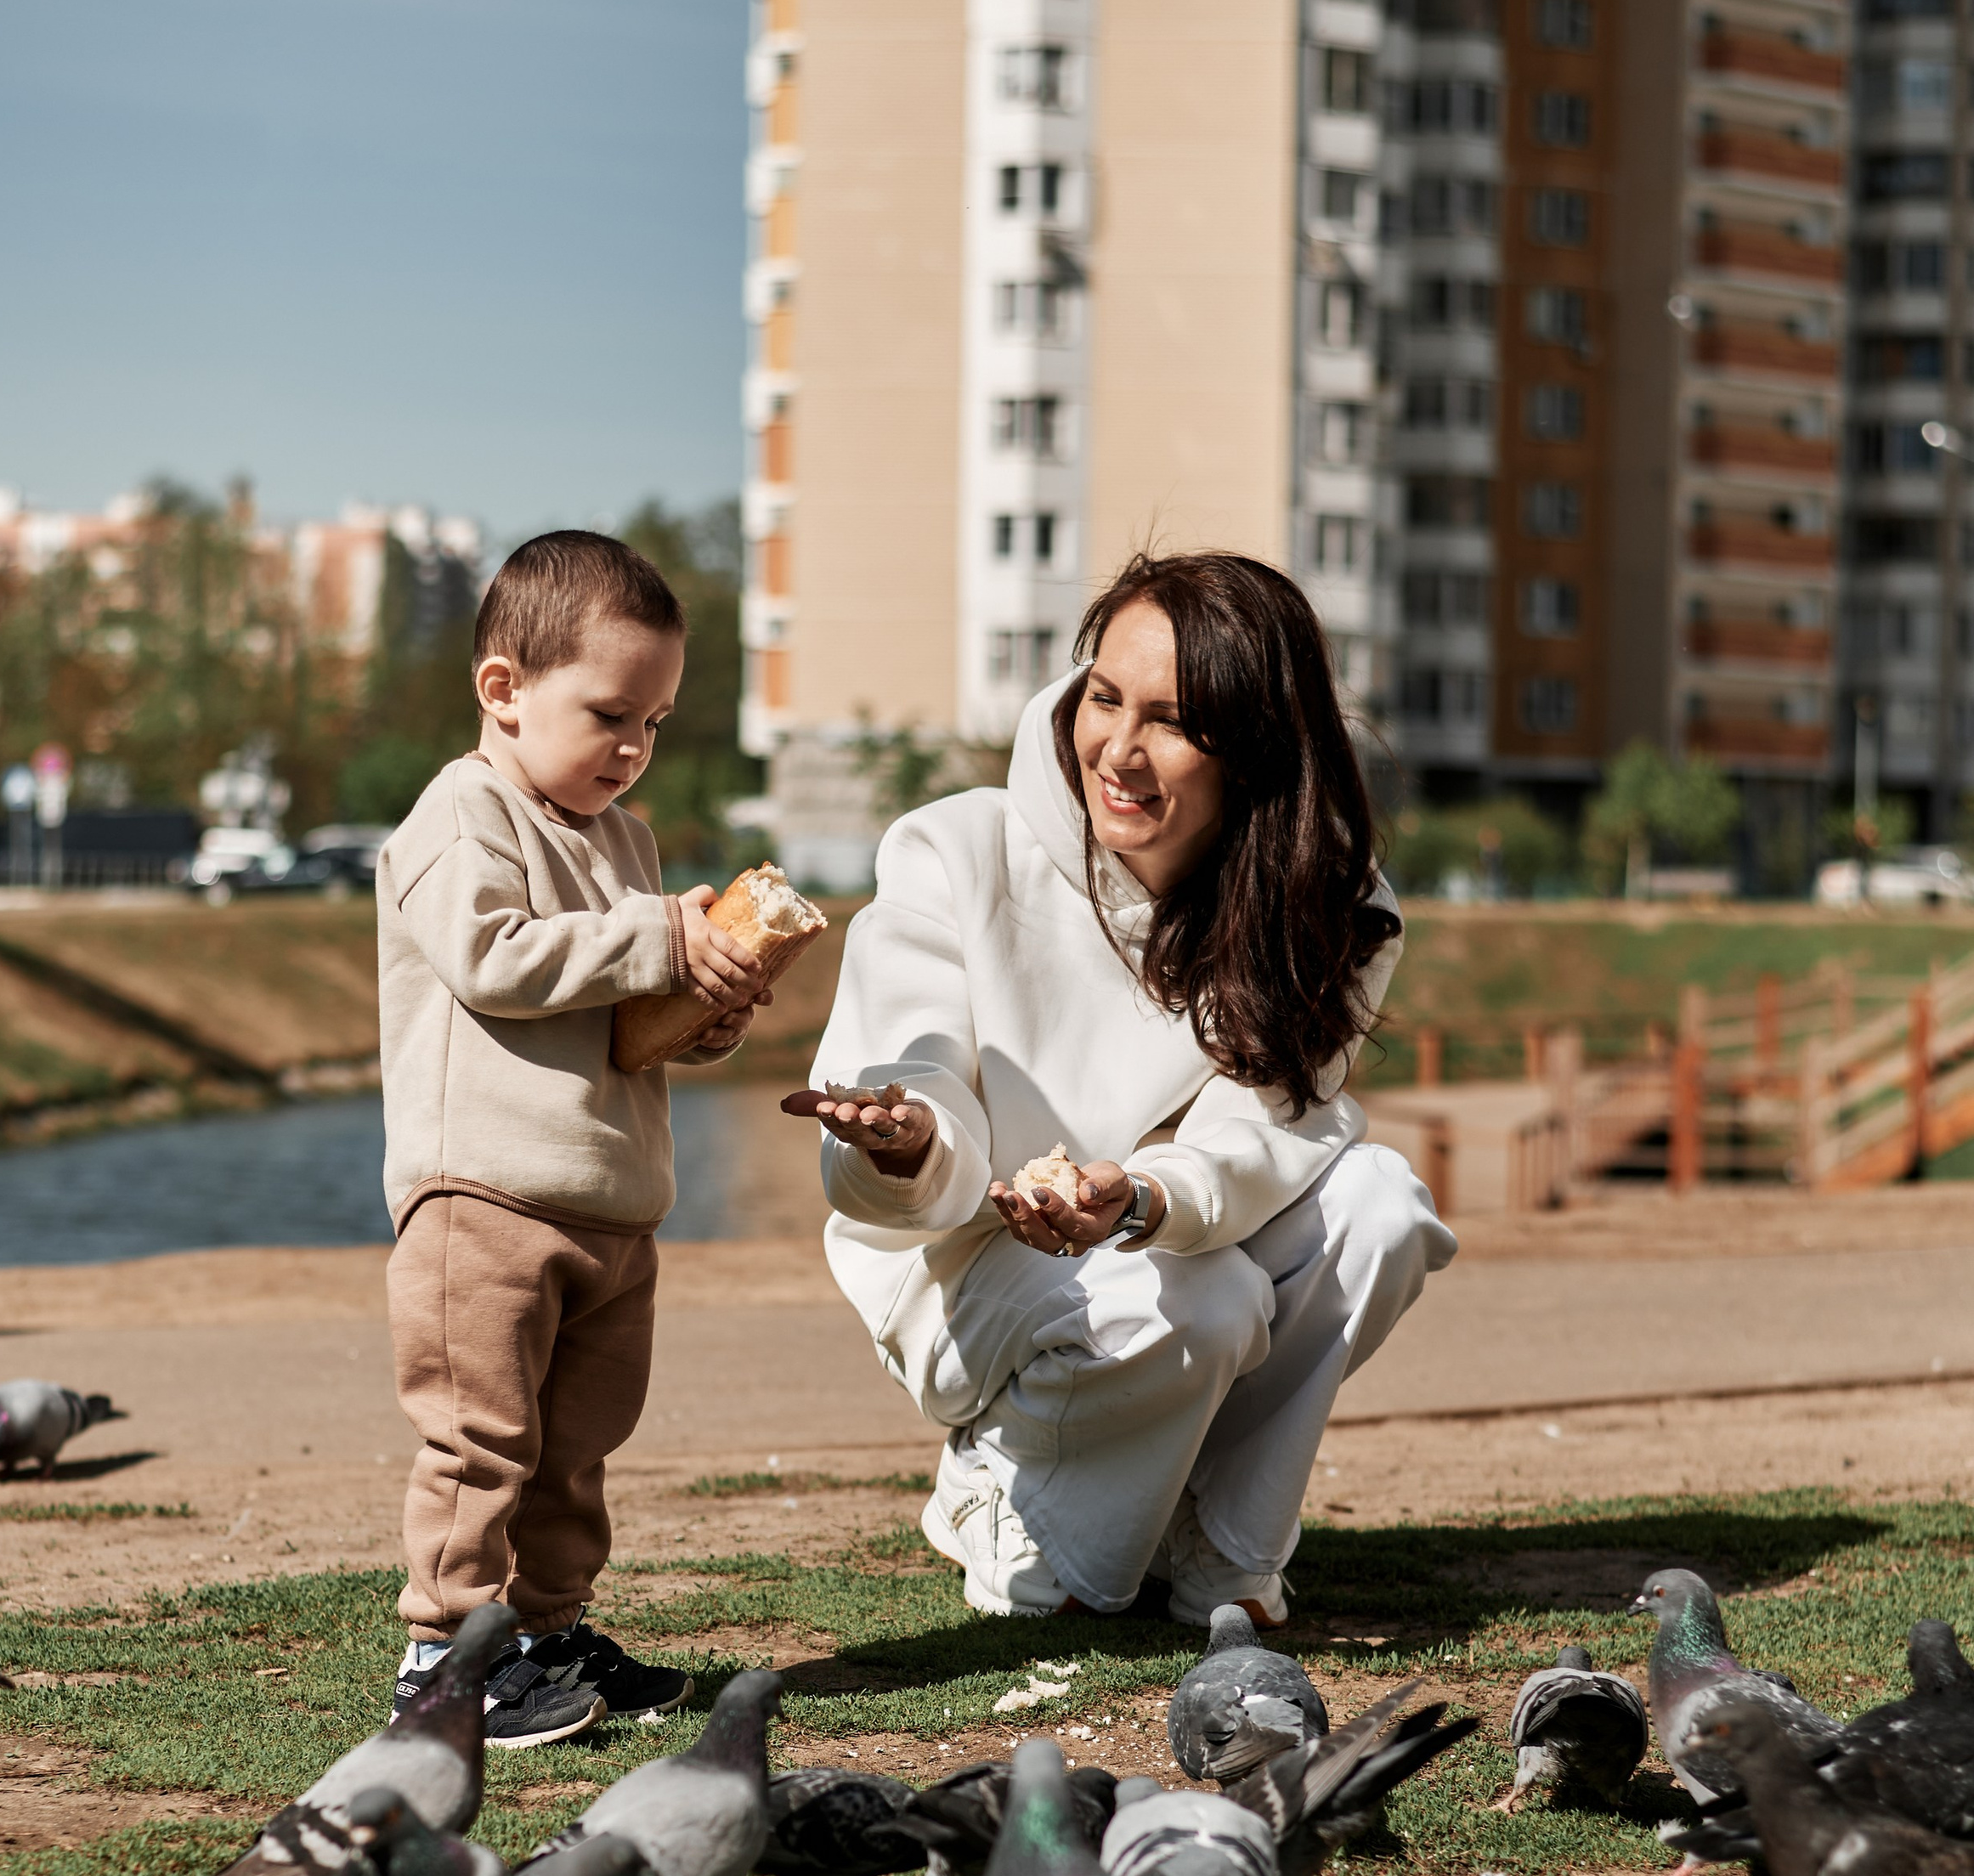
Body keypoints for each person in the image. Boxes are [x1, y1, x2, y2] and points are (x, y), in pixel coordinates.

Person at [783, 549, 1453, 1626]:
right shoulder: (955, 850)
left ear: (1256, 751)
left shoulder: (1326, 902)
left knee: (1379, 1209)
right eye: (1105, 699)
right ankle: (989, 1485)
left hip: (1148, 1233)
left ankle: (1222, 1542)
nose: (1120, 751)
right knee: (1070, 1568)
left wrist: (1139, 1199)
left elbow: (1268, 1128)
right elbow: (911, 1069)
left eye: (1174, 722)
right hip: (963, 1270)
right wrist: (907, 1144)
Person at [376, 528, 767, 1740]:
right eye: (610, 713)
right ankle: (445, 1652)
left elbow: (618, 1018)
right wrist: (657, 938)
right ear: (504, 688)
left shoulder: (629, 843)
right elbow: (493, 957)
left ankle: (544, 1631)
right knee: (481, 1437)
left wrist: (701, 1012)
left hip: (609, 1199)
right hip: (484, 1195)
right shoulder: (465, 813)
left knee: (576, 1448)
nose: (634, 746)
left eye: (654, 721)